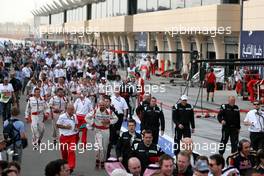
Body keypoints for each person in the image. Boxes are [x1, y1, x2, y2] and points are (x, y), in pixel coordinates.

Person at [85, 100, 118, 169]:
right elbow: (86, 118)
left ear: (105, 105)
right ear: (98, 105)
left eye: (103, 105)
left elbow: (116, 119)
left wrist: (109, 121)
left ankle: (103, 161)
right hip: (97, 130)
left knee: (105, 147)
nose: (102, 106)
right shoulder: (95, 111)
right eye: (101, 105)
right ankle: (97, 159)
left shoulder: (109, 112)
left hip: (106, 131)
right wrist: (92, 123)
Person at [56, 104, 78, 173]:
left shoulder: (74, 116)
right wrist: (66, 127)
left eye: (73, 109)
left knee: (71, 151)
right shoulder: (62, 116)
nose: (72, 111)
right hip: (64, 136)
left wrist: (76, 128)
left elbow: (76, 124)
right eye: (71, 109)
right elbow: (57, 125)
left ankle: (71, 167)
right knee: (64, 152)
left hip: (72, 136)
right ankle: (65, 165)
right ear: (67, 110)